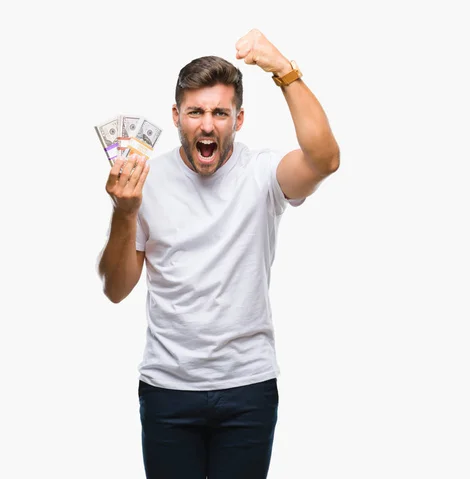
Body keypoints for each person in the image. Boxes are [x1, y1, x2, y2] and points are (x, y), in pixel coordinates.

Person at [97, 28, 340, 479]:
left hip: (248, 388)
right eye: (195, 112)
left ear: (238, 120)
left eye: (219, 113)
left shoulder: (263, 174)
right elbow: (115, 289)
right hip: (168, 390)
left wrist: (283, 69)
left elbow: (324, 159)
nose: (207, 125)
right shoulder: (144, 181)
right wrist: (124, 213)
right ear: (176, 116)